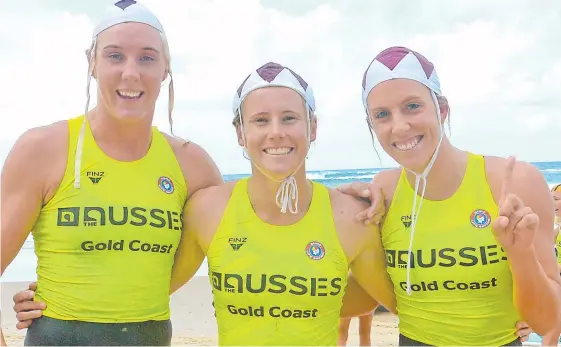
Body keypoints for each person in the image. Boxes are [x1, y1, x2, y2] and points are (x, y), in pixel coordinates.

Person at [0, 1, 222, 345]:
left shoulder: (194, 167)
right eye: (115, 56)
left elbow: (252, 232)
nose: (131, 72)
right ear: (92, 63)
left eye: (147, 57)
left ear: (166, 68)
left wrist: (333, 202)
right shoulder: (41, 150)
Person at [337, 46, 560, 346]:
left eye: (412, 106)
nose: (400, 126)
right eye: (382, 115)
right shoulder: (384, 191)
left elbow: (549, 323)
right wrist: (338, 211)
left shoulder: (513, 181)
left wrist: (521, 256)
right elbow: (378, 293)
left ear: (441, 109)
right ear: (372, 126)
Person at [542, 183, 561, 346]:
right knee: (551, 332)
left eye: (555, 199)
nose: (551, 203)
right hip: (557, 284)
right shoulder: (558, 227)